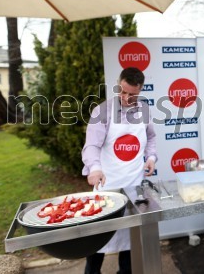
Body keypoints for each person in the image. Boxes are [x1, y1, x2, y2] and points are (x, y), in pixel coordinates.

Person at [82, 67, 157, 274]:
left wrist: (151, 157)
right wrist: (95, 168)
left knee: (130, 240)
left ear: (140, 90)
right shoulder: (103, 111)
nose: (126, 98)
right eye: (122, 92)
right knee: (98, 238)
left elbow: (151, 137)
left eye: (132, 94)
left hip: (133, 186)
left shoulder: (144, 111)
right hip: (108, 185)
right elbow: (92, 145)